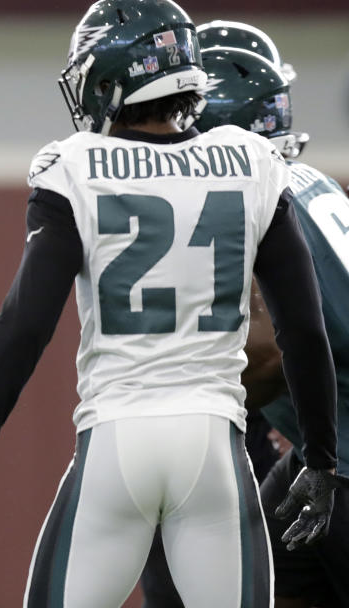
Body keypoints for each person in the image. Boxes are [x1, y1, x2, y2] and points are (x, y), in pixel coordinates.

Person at [0, 1, 344, 606]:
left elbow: (24, 324)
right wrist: (320, 454)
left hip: (116, 439)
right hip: (213, 444)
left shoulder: (73, 167)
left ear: (109, 75)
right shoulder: (251, 161)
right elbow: (303, 332)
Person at [141, 40, 349, 608]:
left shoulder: (245, 199)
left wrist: (160, 401)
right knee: (260, 579)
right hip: (323, 451)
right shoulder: (313, 183)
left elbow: (273, 350)